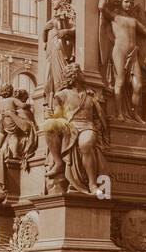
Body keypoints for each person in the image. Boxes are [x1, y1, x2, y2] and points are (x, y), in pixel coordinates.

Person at [97, 0, 146, 120]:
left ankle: (134, 113)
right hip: (119, 51)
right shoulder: (115, 16)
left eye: (131, 2)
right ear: (120, 2)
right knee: (120, 81)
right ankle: (118, 113)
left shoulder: (134, 20)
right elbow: (101, 7)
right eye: (126, 1)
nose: (129, 4)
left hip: (133, 53)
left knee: (138, 86)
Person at [44, 64, 108, 196]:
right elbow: (58, 115)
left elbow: (99, 116)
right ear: (75, 76)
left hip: (87, 126)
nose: (83, 75)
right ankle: (58, 162)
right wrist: (50, 115)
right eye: (80, 73)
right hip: (70, 126)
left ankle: (92, 183)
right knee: (49, 126)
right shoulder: (61, 95)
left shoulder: (90, 94)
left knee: (85, 144)